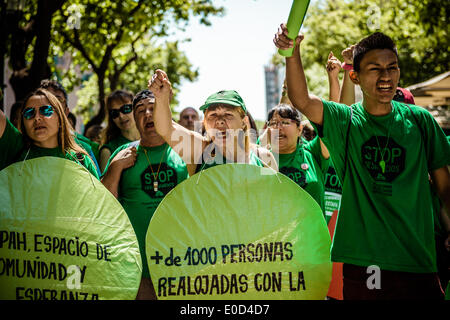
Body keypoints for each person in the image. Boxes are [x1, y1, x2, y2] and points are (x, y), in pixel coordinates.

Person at [274, 25, 450, 299]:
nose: (386, 76)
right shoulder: (344, 120)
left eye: (392, 68)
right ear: (354, 77)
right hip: (365, 262)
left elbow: (444, 187)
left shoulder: (420, 120)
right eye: (375, 69)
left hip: (419, 259)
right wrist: (292, 51)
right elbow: (302, 99)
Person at [101, 89, 188, 300]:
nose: (148, 114)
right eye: (140, 110)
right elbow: (103, 205)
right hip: (136, 264)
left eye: (154, 108)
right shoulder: (122, 153)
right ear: (135, 119)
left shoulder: (186, 151)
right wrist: (114, 168)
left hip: (183, 261)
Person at [148, 69, 277, 176]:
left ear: (244, 122)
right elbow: (166, 129)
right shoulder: (198, 151)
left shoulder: (263, 157)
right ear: (205, 123)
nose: (220, 122)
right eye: (213, 115)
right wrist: (161, 98)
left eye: (228, 115)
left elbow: (274, 200)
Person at [0, 88, 98, 178]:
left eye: (46, 110)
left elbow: (97, 196)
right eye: (29, 113)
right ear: (23, 123)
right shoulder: (15, 149)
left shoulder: (81, 160)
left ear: (60, 119)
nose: (37, 117)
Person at [261, 104, 329, 214]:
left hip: (313, 231)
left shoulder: (314, 152)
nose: (278, 127)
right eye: (273, 123)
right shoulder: (261, 160)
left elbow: (331, 120)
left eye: (285, 122)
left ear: (299, 129)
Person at [39, 79, 101, 175]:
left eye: (58, 100)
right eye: (46, 99)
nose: (52, 105)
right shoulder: (25, 149)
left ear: (66, 111)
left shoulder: (83, 151)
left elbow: (96, 188)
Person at [99, 89, 140, 173]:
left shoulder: (154, 139)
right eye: (114, 113)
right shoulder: (108, 151)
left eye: (126, 109)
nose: (121, 116)